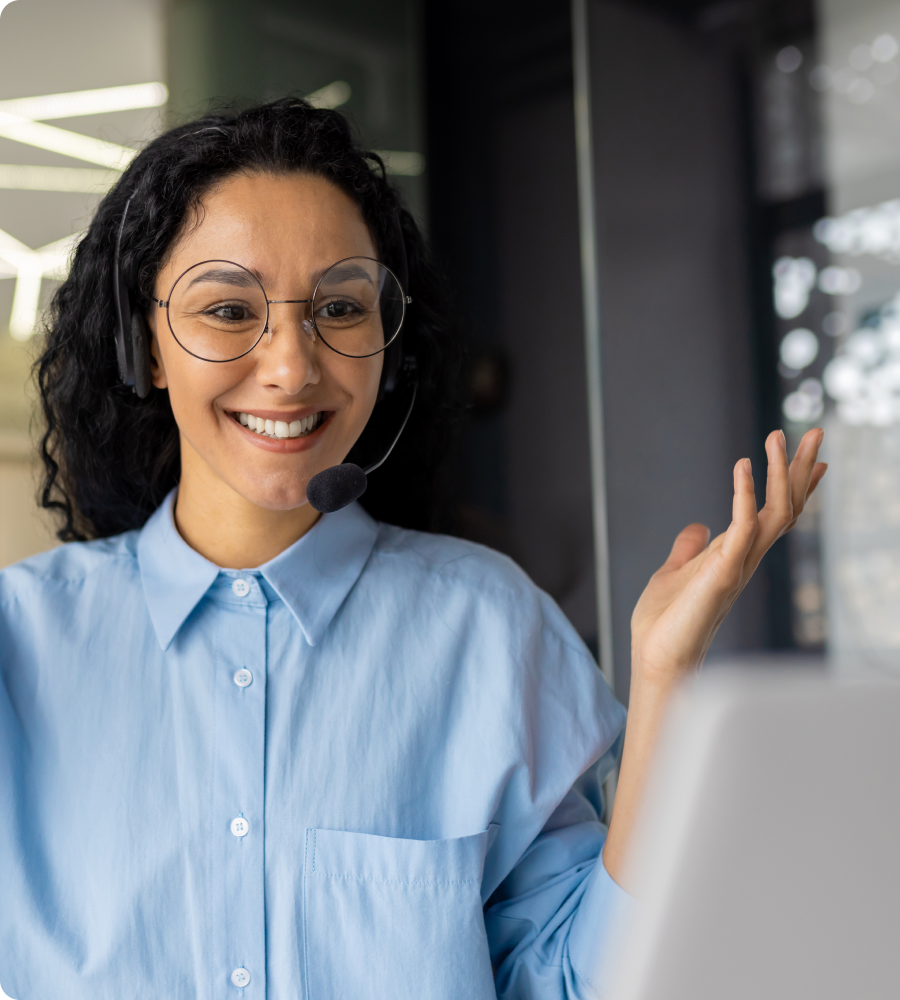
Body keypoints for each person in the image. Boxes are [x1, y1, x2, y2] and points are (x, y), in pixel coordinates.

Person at [0, 99, 826, 1000]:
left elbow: (584, 985)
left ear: (385, 348)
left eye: (340, 307)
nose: (290, 365)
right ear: (144, 344)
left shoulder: (490, 625)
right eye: (230, 309)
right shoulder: (19, 642)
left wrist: (666, 675)